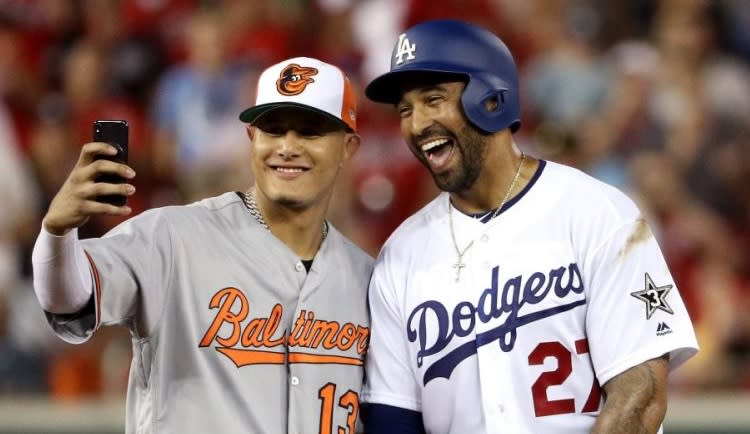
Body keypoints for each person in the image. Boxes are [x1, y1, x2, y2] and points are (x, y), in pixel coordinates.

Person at [360, 19, 699, 433]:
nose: (415, 125)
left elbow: (640, 396)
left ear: (491, 100)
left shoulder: (597, 213)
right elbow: (393, 421)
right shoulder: (400, 256)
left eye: (433, 100)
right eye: (405, 110)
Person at [31, 56, 372, 434]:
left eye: (310, 132)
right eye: (273, 130)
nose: (287, 146)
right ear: (252, 139)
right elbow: (69, 299)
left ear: (348, 148)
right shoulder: (172, 237)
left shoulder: (367, 279)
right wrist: (57, 233)